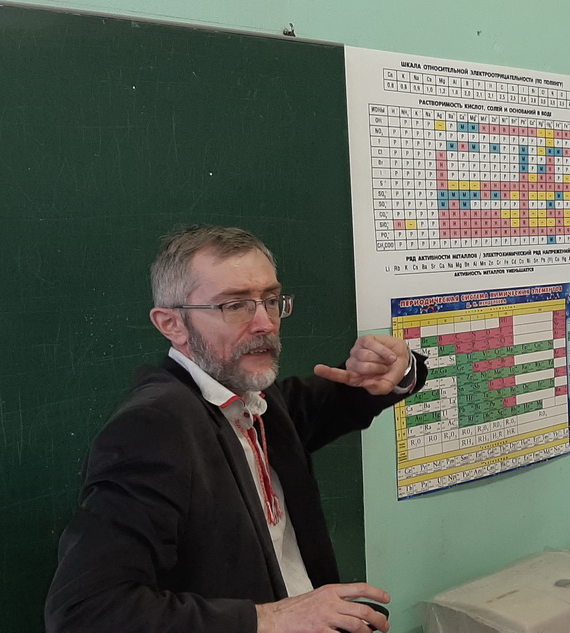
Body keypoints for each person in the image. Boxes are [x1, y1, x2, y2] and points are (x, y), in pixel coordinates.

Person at [45, 225, 426, 633]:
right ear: (172, 324)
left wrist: (400, 367)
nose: (264, 323)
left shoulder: (253, 400)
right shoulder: (153, 429)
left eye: (271, 300)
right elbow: (85, 612)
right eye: (234, 305)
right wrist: (272, 618)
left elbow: (344, 398)